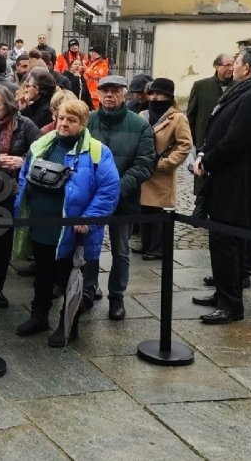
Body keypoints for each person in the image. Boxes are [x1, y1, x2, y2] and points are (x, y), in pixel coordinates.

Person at [13, 98, 120, 346]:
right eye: (61, 118)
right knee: (42, 274)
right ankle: (39, 316)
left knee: (70, 278)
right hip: (41, 224)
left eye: (71, 120)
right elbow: (24, 174)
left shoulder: (97, 151)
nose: (64, 123)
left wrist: (88, 219)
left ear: (83, 123)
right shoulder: (42, 144)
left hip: (72, 229)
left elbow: (108, 190)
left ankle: (68, 324)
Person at [191, 46, 251, 324]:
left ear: (247, 68)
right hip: (227, 179)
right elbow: (218, 128)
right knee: (221, 242)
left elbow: (236, 140)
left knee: (228, 243)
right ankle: (222, 293)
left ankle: (231, 306)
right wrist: (204, 151)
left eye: (236, 62)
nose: (233, 66)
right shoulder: (246, 91)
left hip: (239, 182)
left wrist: (208, 162)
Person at [84, 75, 154, 320]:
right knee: (90, 247)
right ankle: (88, 290)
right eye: (104, 91)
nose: (109, 95)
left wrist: (115, 190)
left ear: (125, 94)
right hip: (91, 199)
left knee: (121, 251)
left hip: (124, 198)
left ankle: (117, 296)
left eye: (114, 91)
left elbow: (144, 164)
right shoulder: (88, 120)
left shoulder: (139, 125)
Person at [0, 86, 42, 307]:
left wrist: (22, 161)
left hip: (9, 190)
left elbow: (41, 150)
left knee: (1, 243)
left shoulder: (23, 124)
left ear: (8, 105)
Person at [137, 78, 192, 260]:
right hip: (145, 170)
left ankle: (157, 249)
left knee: (159, 211)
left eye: (158, 93)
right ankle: (146, 244)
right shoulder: (143, 115)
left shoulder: (177, 118)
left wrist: (166, 164)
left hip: (162, 174)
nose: (154, 97)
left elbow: (185, 145)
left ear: (168, 95)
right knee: (145, 209)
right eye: (151, 93)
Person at [186, 54, 234, 201]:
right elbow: (191, 116)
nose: (231, 68)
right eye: (226, 65)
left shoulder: (239, 85)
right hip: (204, 139)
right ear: (216, 66)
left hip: (228, 137)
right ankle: (201, 205)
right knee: (202, 175)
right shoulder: (201, 86)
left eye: (233, 64)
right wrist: (192, 141)